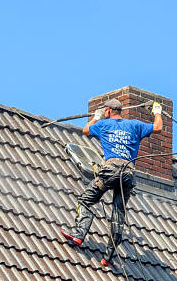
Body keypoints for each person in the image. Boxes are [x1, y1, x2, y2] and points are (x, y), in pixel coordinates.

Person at [61, 97, 163, 266]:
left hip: (110, 171)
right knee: (118, 214)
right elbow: (158, 127)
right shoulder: (135, 125)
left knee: (85, 200)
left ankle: (79, 235)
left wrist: (96, 116)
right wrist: (157, 112)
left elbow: (86, 130)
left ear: (108, 111)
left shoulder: (103, 125)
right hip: (128, 174)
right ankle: (108, 257)